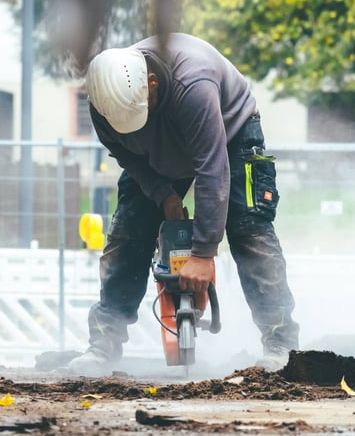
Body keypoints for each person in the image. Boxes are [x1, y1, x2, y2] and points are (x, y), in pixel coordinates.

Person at [67, 32, 298, 376]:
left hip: (230, 136)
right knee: (128, 235)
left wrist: (203, 254)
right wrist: (162, 193)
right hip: (156, 156)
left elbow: (213, 168)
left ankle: (282, 345)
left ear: (152, 82)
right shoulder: (103, 101)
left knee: (249, 229)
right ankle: (102, 345)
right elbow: (126, 155)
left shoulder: (194, 84)